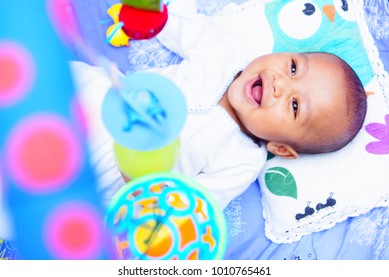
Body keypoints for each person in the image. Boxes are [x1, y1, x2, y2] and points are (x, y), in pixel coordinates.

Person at [70, 1, 367, 210]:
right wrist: (152, 16)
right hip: (106, 97)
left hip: (111, 171)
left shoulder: (242, 162)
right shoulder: (228, 52)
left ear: (280, 148)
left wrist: (143, 183)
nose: (280, 84)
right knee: (78, 78)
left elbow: (192, 207)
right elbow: (184, 28)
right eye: (292, 67)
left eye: (294, 106)